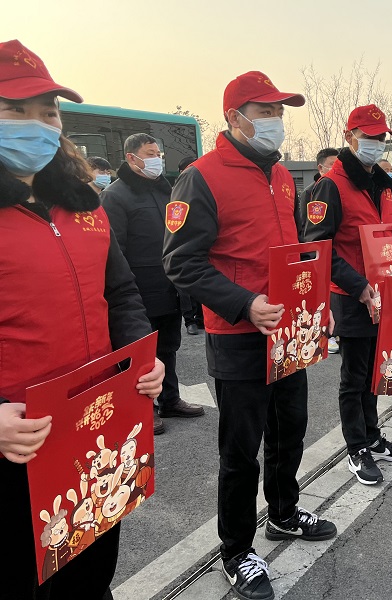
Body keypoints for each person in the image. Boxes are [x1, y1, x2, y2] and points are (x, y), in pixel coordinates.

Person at [0, 38, 164, 600]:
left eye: (48, 111)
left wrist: (143, 356)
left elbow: (120, 292)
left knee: (93, 570)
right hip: (20, 440)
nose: (37, 124)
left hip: (96, 424)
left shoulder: (84, 204)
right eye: (14, 109)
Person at [163, 70, 337, 600]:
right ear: (235, 118)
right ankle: (237, 550)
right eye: (266, 112)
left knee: (290, 431)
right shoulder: (202, 177)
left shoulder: (281, 175)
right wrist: (244, 304)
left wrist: (315, 305)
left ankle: (283, 512)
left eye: (280, 112)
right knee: (241, 451)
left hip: (289, 329)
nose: (276, 121)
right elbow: (181, 262)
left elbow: (291, 251)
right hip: (239, 334)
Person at [299, 104, 392, 486]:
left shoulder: (384, 183)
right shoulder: (330, 185)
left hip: (383, 292)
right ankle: (356, 448)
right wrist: (358, 286)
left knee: (374, 371)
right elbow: (317, 248)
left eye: (381, 138)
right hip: (351, 295)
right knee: (354, 375)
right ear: (350, 137)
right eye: (369, 137)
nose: (377, 144)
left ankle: (373, 436)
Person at [101, 134, 205, 436]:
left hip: (169, 286)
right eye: (150, 153)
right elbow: (114, 251)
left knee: (168, 347)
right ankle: (143, 409)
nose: (156, 159)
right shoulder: (115, 195)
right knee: (139, 353)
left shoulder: (166, 191)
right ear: (131, 157)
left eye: (158, 153)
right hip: (137, 291)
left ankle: (170, 400)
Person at [299, 147, 340, 353]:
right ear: (320, 167)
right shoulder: (311, 191)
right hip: (315, 253)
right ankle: (328, 335)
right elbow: (305, 226)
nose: (336, 168)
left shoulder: (338, 187)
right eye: (332, 164)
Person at [177, 156, 204, 335]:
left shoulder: (205, 190)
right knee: (184, 288)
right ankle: (189, 320)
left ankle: (201, 318)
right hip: (182, 246)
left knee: (203, 284)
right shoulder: (177, 192)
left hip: (203, 246)